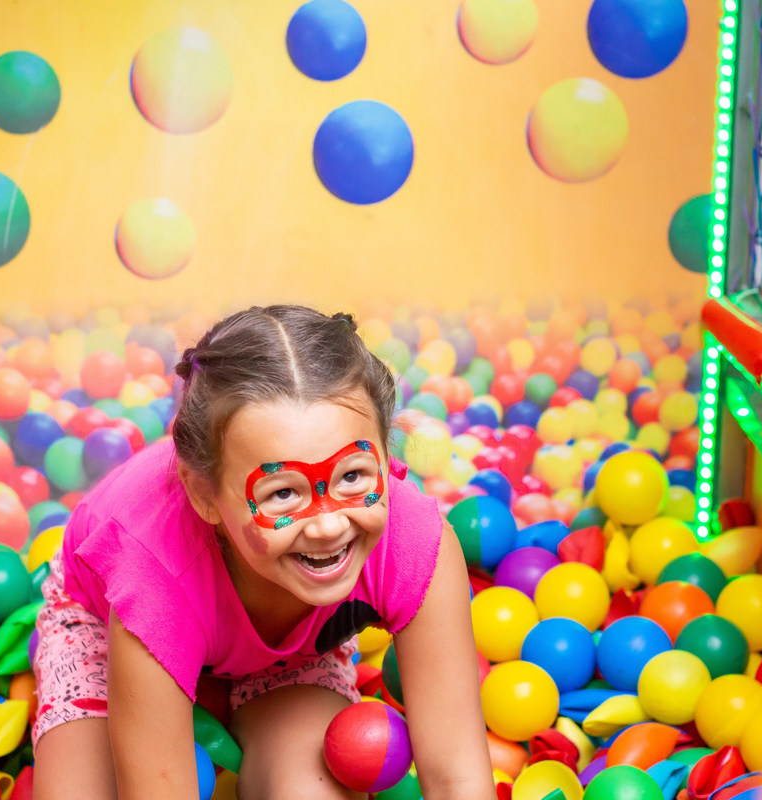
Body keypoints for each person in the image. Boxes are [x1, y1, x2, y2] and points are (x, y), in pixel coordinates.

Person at [31, 305, 495, 800]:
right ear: (204, 495)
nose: (329, 525)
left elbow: (456, 776)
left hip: (294, 649)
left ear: (386, 452)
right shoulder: (154, 573)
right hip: (109, 622)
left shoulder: (414, 545)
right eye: (282, 494)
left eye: (354, 476)